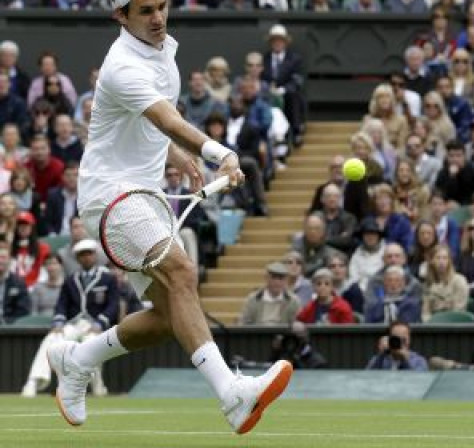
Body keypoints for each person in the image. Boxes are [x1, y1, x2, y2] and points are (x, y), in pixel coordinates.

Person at [48, 0, 292, 434]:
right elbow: (166, 117)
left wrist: (173, 151)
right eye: (145, 10)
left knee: (166, 318)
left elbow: (148, 125)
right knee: (182, 273)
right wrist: (221, 153)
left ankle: (76, 359)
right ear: (121, 17)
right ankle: (232, 394)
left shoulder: (162, 49)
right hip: (110, 196)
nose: (158, 17)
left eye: (162, 5)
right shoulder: (122, 65)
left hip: (143, 191)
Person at [21, 239, 117, 399]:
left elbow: (113, 305)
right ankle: (33, 381)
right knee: (51, 339)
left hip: (95, 325)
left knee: (92, 344)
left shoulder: (107, 278)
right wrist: (58, 323)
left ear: (95, 255)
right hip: (73, 324)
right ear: (78, 258)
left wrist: (100, 323)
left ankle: (97, 385)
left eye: (89, 253)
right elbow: (61, 305)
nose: (86, 257)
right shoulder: (71, 279)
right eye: (82, 255)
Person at [422, 244, 469, 321]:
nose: (441, 262)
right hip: (433, 326)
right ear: (432, 261)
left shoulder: (459, 281)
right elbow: (425, 312)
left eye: (445, 258)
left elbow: (458, 310)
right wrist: (429, 324)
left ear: (449, 261)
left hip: (454, 324)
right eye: (438, 258)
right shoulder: (428, 283)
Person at [0, 245, 30, 324]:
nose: (0, 261)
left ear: (10, 260)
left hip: (9, 327)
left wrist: (6, 322)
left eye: (3, 257)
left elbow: (23, 311)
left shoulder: (19, 283)